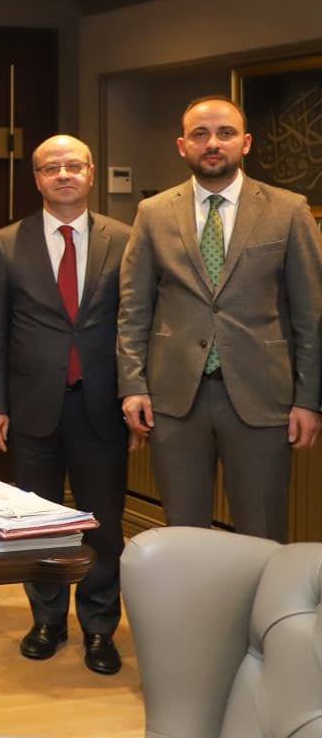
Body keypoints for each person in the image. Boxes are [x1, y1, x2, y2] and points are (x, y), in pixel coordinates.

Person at [118, 95, 322, 541]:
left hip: (263, 397)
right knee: (184, 534)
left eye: (225, 133)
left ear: (246, 143)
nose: (213, 143)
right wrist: (133, 386)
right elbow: (133, 309)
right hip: (175, 398)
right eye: (200, 134)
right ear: (182, 146)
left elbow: (311, 315)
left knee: (262, 532)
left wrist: (309, 400)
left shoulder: (289, 209)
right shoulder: (153, 213)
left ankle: (258, 595)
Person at [0, 135, 133, 675]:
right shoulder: (5, 243)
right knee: (37, 523)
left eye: (72, 166)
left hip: (102, 405)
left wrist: (136, 396)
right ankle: (47, 620)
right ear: (37, 178)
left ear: (90, 172)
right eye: (50, 168)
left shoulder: (125, 240)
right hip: (31, 408)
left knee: (103, 525)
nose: (62, 175)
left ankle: (99, 627)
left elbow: (136, 325)